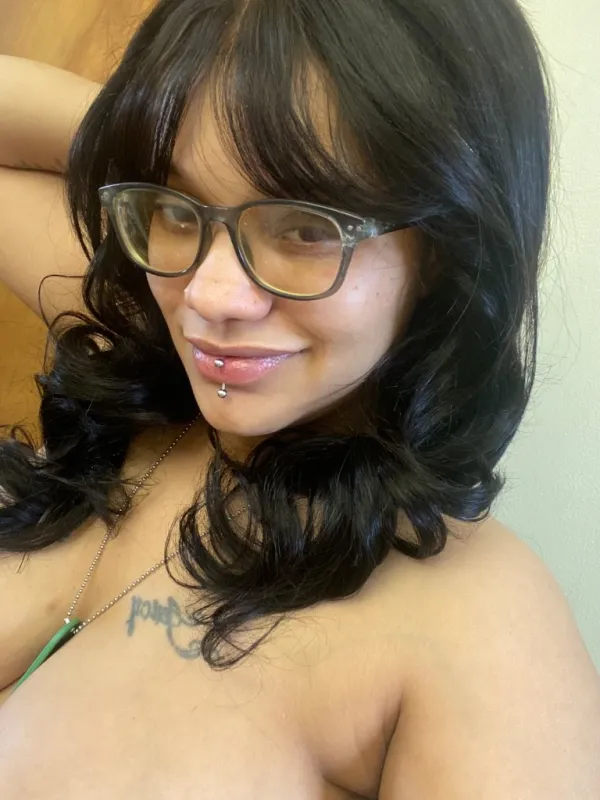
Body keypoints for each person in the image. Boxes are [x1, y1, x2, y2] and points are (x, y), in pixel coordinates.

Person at [0, 0, 599, 797]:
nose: (211, 296)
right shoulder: (161, 336)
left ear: (448, 248)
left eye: (306, 227)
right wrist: (166, 136)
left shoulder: (485, 630)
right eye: (175, 206)